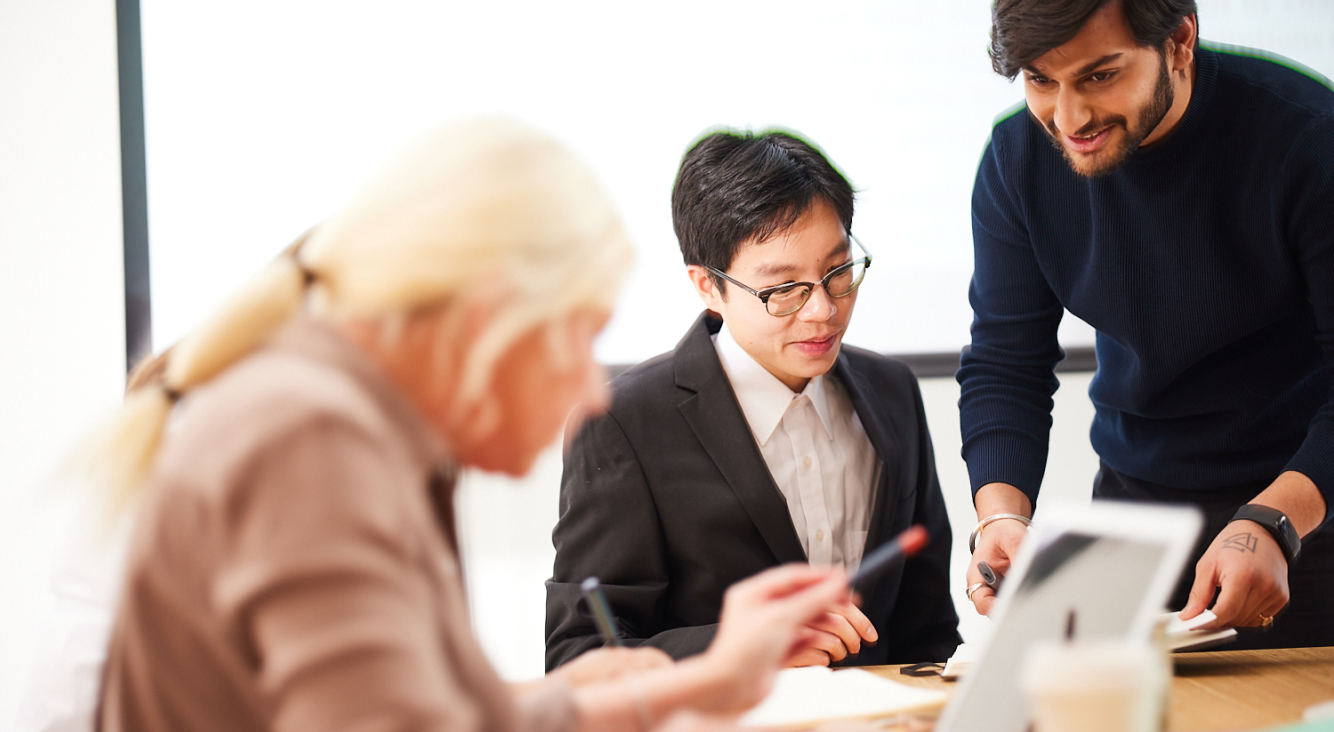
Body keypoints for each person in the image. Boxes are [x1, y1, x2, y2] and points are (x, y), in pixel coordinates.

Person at [90, 118, 855, 732]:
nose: (592, 395)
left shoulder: (357, 429)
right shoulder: (312, 439)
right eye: (580, 339)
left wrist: (704, 677)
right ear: (491, 320)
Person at [959, 0, 1334, 649]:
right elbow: (1005, 361)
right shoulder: (1018, 159)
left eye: (1100, 76)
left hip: (1307, 505)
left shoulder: (1308, 139)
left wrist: (1274, 523)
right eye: (1042, 80)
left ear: (1180, 41)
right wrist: (1001, 515)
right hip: (1134, 512)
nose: (1068, 119)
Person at [546, 129, 960, 671]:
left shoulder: (893, 393)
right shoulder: (624, 423)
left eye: (838, 272)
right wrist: (736, 649)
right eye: (783, 288)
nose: (822, 311)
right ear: (707, 286)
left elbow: (927, 629)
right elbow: (580, 654)